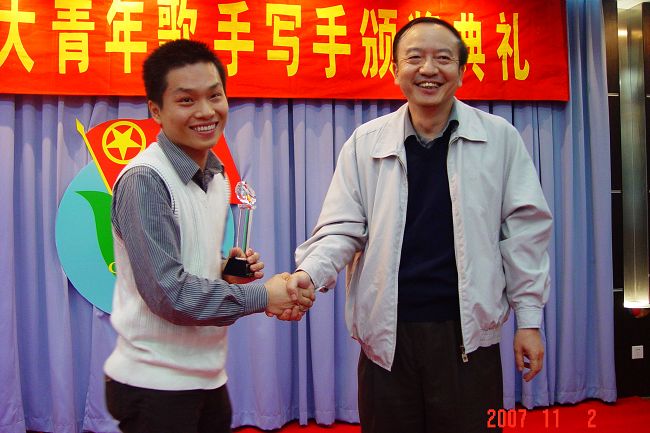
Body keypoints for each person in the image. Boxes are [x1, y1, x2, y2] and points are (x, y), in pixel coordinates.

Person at [282, 17, 553, 433]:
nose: (428, 69)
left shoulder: (499, 139)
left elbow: (524, 235)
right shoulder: (366, 143)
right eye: (414, 58)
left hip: (469, 336)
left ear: (462, 71)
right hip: (387, 338)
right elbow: (340, 228)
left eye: (443, 58)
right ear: (395, 70)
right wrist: (309, 273)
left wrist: (529, 321)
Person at [103, 39, 314, 433]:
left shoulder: (215, 178)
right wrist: (264, 296)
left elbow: (187, 265)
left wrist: (225, 271)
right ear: (155, 110)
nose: (205, 111)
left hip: (208, 376)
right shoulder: (145, 180)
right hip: (155, 385)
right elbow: (169, 294)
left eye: (214, 96)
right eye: (186, 100)